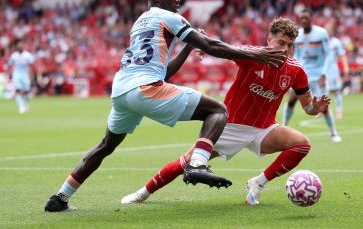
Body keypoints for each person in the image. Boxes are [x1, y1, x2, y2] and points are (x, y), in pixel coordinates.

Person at [44, 0, 287, 212]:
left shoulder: (140, 22)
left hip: (122, 92)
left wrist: (186, 49)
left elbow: (164, 72)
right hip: (144, 89)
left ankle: (61, 196)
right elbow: (210, 45)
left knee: (105, 146)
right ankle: (197, 164)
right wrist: (258, 55)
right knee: (218, 111)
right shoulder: (169, 17)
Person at [120, 17, 331, 206]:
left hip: (264, 129)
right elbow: (224, 49)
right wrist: (204, 47)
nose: (285, 49)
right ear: (269, 40)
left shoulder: (296, 71)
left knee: (302, 145)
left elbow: (308, 106)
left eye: (290, 46)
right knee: (185, 163)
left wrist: (316, 108)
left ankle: (258, 183)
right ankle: (142, 193)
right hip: (230, 126)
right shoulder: (252, 55)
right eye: (281, 43)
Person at [282, 9, 341, 142]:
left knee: (322, 105)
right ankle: (283, 128)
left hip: (318, 75)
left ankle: (333, 132)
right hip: (302, 74)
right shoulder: (298, 35)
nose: (304, 21)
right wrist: (294, 69)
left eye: (306, 18)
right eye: (301, 18)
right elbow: (297, 54)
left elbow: (328, 54)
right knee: (291, 100)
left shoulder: (321, 33)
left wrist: (324, 74)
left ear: (311, 19)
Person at [326, 22, 349, 119]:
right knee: (323, 91)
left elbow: (342, 56)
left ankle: (339, 111)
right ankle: (324, 110)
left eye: (328, 30)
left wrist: (345, 67)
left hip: (333, 70)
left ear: (332, 31)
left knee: (336, 91)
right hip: (323, 70)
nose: (327, 32)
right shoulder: (321, 42)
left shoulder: (336, 42)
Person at [8, 42, 35, 114]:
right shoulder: (14, 55)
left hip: (25, 74)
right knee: (18, 90)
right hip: (16, 74)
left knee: (26, 91)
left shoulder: (27, 55)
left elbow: (32, 65)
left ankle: (25, 103)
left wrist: (31, 74)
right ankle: (21, 106)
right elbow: (10, 65)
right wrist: (9, 75)